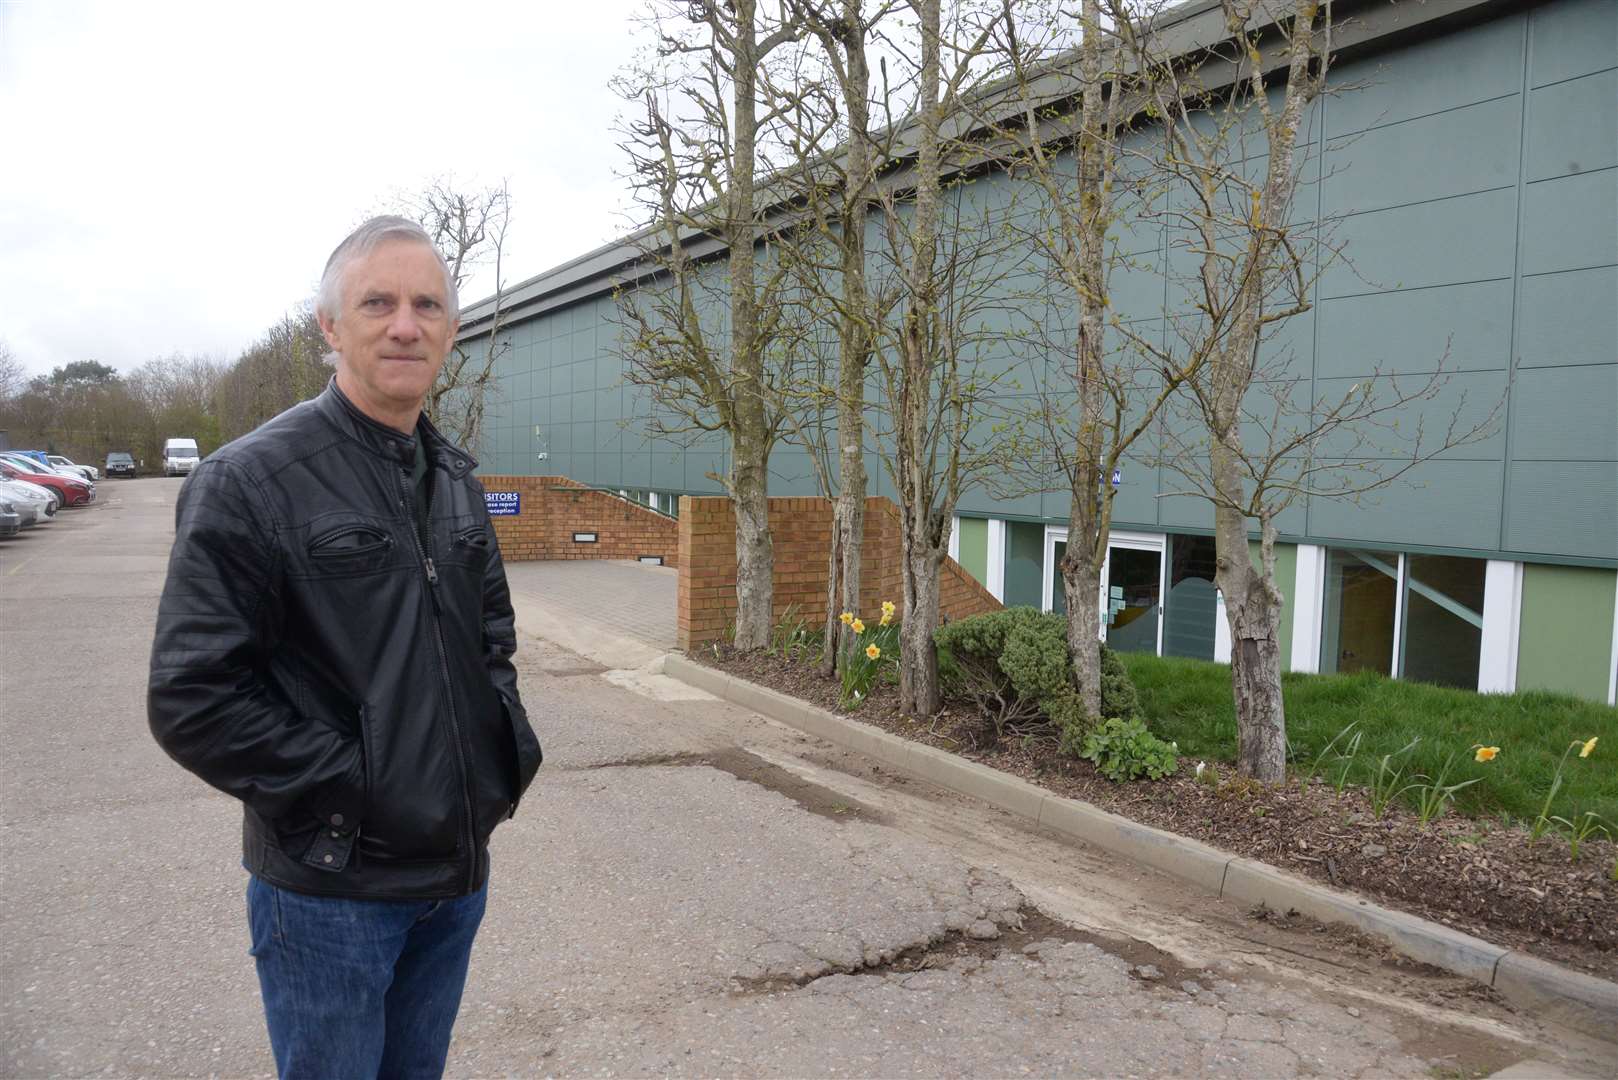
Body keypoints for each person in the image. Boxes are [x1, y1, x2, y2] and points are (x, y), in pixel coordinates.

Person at [148, 216, 541, 1079]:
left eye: (427, 304)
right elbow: (193, 696)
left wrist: (495, 756)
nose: (406, 323)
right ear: (329, 327)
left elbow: (491, 641)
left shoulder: (455, 480)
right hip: (331, 894)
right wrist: (357, 787)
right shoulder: (252, 480)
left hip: (453, 877)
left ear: (451, 328)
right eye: (378, 302)